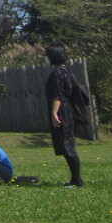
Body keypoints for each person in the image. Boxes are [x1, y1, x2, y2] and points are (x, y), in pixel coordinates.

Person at [45, 43, 84, 187]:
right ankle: (75, 178)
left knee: (68, 147)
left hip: (62, 112)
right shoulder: (67, 70)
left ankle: (77, 179)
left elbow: (58, 96)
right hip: (69, 111)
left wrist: (54, 113)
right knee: (67, 146)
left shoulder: (57, 73)